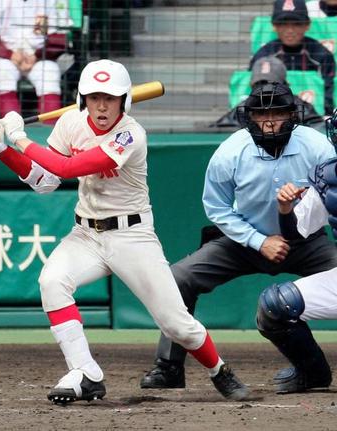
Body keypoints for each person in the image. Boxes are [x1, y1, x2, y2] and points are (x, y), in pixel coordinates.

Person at [0, 59, 251, 404]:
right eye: (94, 97)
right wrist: (1, 148)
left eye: (110, 97)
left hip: (132, 235)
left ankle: (218, 370)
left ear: (125, 100)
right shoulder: (70, 123)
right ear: (83, 99)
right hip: (85, 234)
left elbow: (68, 166)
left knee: (176, 324)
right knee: (52, 282)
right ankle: (86, 373)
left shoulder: (130, 134)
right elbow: (46, 181)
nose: (102, 105)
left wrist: (18, 137)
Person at [139, 82, 337, 391]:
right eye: (261, 114)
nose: (270, 121)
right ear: (249, 117)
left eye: (278, 112)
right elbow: (217, 208)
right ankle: (168, 366)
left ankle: (311, 371)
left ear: (292, 115)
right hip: (243, 240)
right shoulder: (230, 152)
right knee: (178, 278)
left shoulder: (318, 147)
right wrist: (259, 241)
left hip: (305, 240)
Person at [257, 108, 337, 394]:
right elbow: (296, 232)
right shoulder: (330, 176)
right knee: (276, 305)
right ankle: (312, 373)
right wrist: (285, 207)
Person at [0, 0, 69, 122]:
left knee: (50, 73)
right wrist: (10, 54)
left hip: (40, 58)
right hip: (2, 58)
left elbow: (59, 38)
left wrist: (37, 55)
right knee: (2, 73)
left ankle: (53, 131)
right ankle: (12, 127)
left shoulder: (53, 1)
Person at [249, 0, 336, 113]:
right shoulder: (263, 55)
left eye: (297, 23)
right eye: (283, 24)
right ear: (274, 26)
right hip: (272, 116)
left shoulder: (322, 55)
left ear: (307, 25)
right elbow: (255, 94)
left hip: (314, 120)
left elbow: (329, 96)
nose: (290, 30)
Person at [213, 55, 322, 128]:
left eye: (272, 84)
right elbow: (219, 129)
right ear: (251, 85)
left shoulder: (297, 104)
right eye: (260, 84)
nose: (265, 89)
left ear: (285, 85)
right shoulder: (242, 107)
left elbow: (317, 127)